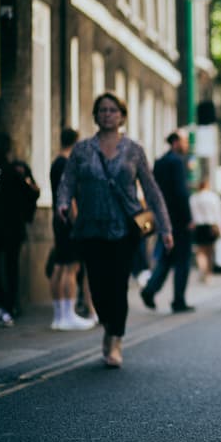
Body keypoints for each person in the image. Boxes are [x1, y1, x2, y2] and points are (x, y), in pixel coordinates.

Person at [57, 92, 173, 368]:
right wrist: (62, 202)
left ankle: (115, 340)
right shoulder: (83, 150)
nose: (107, 114)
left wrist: (165, 228)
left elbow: (152, 190)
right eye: (102, 110)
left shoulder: (133, 150)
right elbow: (67, 181)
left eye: (113, 110)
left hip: (124, 229)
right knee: (97, 287)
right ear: (95, 116)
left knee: (118, 285)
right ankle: (109, 324)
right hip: (90, 227)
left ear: (122, 116)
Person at [0, 133, 40, 327]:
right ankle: (8, 304)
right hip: (7, 224)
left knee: (0, 264)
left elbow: (32, 193)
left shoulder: (13, 169)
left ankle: (8, 304)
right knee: (6, 265)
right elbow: (33, 193)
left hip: (5, 224)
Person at [140, 132, 194, 313]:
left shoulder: (160, 161)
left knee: (166, 257)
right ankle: (178, 300)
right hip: (178, 219)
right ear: (176, 142)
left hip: (163, 216)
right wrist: (188, 218)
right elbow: (181, 192)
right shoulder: (177, 162)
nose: (187, 145)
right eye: (185, 141)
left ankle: (150, 289)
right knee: (182, 261)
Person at [49, 128, 95, 330]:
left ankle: (59, 315)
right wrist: (77, 223)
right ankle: (67, 315)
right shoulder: (67, 164)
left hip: (58, 218)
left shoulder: (56, 163)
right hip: (68, 220)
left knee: (59, 266)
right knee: (71, 267)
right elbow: (70, 196)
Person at [189, 177, 221, 284]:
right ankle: (208, 273)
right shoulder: (213, 197)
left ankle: (203, 271)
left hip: (199, 226)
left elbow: (191, 214)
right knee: (210, 251)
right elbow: (219, 214)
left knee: (200, 251)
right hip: (211, 226)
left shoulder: (194, 198)